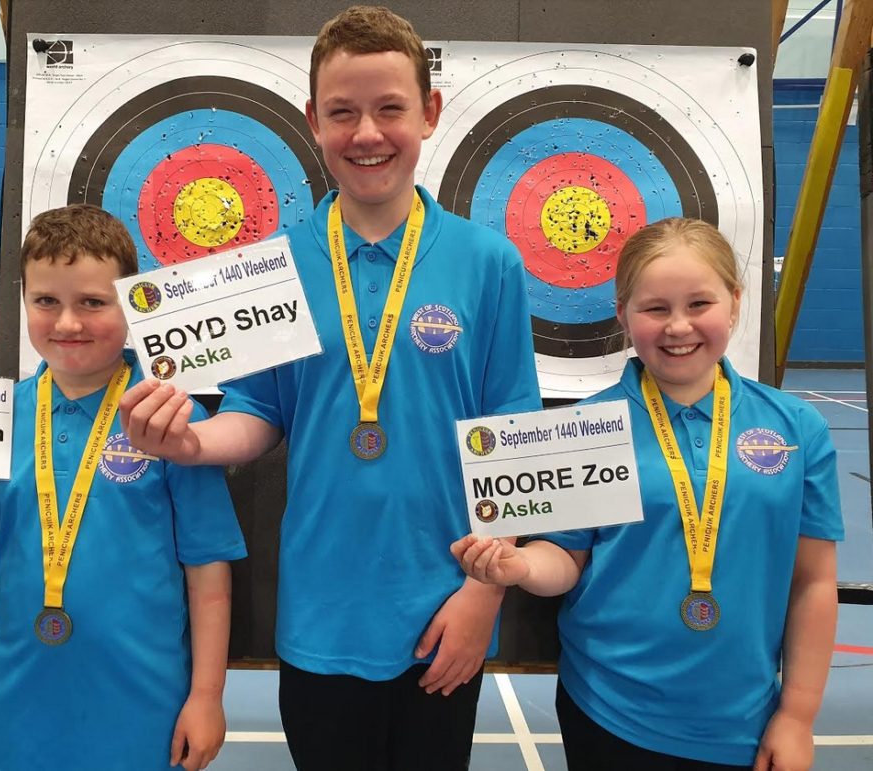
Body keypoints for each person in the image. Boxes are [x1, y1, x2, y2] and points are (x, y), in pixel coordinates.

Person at [119, 6, 541, 769]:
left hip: (446, 605)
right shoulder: (273, 264)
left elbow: (515, 431)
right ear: (313, 120)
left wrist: (485, 594)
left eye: (389, 109)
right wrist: (188, 441)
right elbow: (256, 413)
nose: (367, 133)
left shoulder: (490, 262)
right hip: (321, 614)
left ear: (430, 112)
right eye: (342, 112)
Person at [0, 203, 247, 771]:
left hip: (143, 711)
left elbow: (208, 570)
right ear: (26, 301)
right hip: (21, 710)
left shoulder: (169, 424)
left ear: (131, 305)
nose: (67, 323)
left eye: (92, 301)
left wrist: (207, 696)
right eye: (46, 302)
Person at [453, 217, 843, 771]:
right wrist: (518, 565)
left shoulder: (797, 428)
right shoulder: (589, 427)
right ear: (623, 315)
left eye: (699, 304)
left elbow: (813, 583)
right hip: (609, 711)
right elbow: (566, 559)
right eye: (655, 308)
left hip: (745, 721)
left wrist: (798, 716)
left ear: (734, 302)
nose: (677, 326)